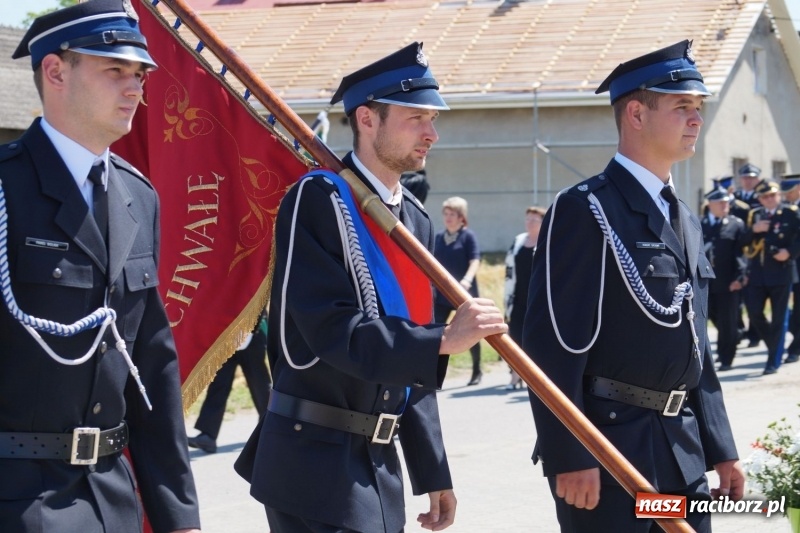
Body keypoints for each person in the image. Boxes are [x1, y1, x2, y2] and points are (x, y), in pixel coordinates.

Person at [236, 42, 507, 533]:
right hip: (312, 460)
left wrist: (432, 470)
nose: (432, 133)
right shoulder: (318, 199)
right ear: (366, 118)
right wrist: (443, 340)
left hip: (378, 464)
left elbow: (412, 359)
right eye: (416, 118)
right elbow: (331, 330)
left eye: (432, 119)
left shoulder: (415, 221)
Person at [522, 40, 744, 533]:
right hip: (610, 455)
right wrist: (570, 454)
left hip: (682, 452)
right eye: (682, 106)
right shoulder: (586, 209)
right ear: (637, 114)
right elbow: (550, 347)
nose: (696, 119)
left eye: (698, 107)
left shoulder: (683, 216)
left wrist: (721, 447)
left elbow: (695, 345)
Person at [0, 1, 201, 532]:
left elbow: (152, 366)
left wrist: (179, 515)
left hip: (113, 498)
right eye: (115, 70)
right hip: (19, 500)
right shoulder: (5, 187)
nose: (135, 88)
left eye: (140, 75)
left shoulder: (137, 196)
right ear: (55, 71)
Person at [187, 314, 271, 453]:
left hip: (253, 332)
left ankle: (270, 429)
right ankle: (208, 435)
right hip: (227, 333)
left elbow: (259, 301)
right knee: (219, 383)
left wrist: (251, 328)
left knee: (260, 385)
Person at [741, 179, 800, 374]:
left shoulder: (790, 213)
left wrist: (789, 252)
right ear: (759, 199)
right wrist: (754, 230)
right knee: (754, 313)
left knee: (779, 319)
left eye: (772, 195)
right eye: (765, 196)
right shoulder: (755, 215)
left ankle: (773, 361)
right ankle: (775, 344)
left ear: (779, 195)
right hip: (758, 274)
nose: (769, 199)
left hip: (782, 272)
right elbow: (741, 242)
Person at [434, 196, 484, 386]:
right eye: (445, 214)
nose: (448, 218)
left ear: (461, 217)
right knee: (436, 332)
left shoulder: (467, 236)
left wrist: (467, 279)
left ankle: (477, 370)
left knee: (471, 330)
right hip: (441, 294)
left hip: (463, 294)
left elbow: (475, 260)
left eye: (452, 214)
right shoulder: (439, 237)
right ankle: (434, 374)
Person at [701, 183, 746, 371]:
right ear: (710, 204)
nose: (724, 205)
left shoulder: (736, 224)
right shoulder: (699, 223)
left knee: (728, 321)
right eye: (720, 202)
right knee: (710, 316)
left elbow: (741, 254)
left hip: (729, 281)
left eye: (726, 202)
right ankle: (732, 338)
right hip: (705, 282)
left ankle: (727, 358)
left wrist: (740, 277)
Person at [503, 206, 545, 390]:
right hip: (517, 298)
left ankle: (533, 377)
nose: (530, 222)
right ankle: (515, 377)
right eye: (528, 218)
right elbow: (509, 270)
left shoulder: (546, 241)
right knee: (515, 338)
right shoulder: (519, 241)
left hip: (538, 299)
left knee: (534, 340)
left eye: (534, 219)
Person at [780, 173, 800, 363]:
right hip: (789, 266)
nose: (786, 195)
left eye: (790, 191)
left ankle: (795, 349)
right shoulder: (786, 209)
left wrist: (790, 252)